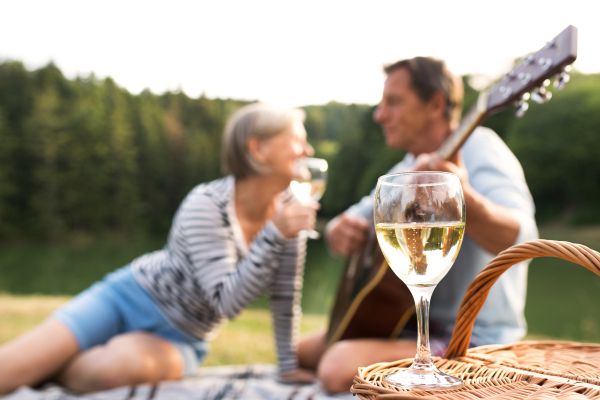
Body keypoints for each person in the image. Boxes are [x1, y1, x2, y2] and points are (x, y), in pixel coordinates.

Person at [0, 102, 319, 394]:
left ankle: (48, 369)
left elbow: (284, 295)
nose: (307, 149)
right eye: (296, 139)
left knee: (109, 373)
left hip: (183, 337)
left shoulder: (290, 213)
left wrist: (288, 368)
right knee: (7, 371)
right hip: (127, 298)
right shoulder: (206, 204)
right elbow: (226, 299)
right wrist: (274, 235)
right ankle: (37, 366)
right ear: (257, 148)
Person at [297, 57, 538, 393]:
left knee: (336, 366)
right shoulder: (407, 165)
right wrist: (340, 230)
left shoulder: (481, 148)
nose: (380, 115)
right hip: (407, 325)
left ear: (435, 104)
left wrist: (460, 191)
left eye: (393, 102)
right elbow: (358, 216)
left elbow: (522, 239)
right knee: (300, 352)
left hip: (474, 339)